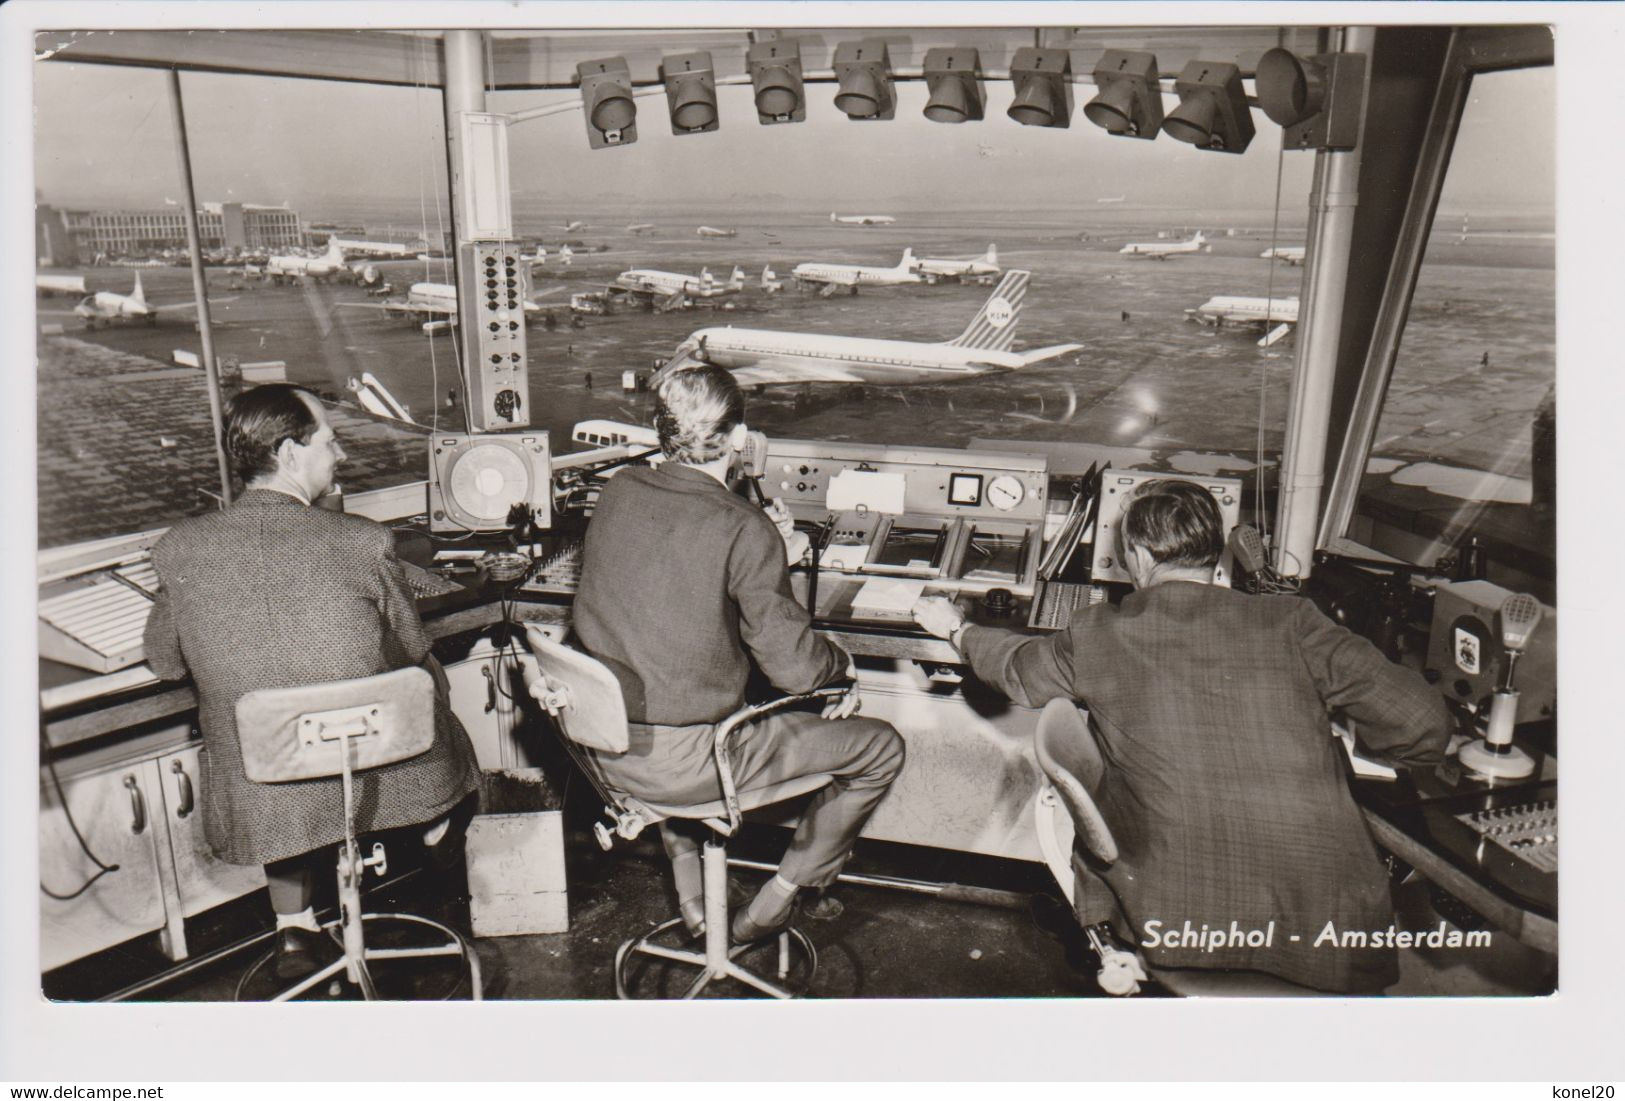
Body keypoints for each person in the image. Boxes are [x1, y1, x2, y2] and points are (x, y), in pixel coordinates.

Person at [913, 479, 1450, 994]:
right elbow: (1422, 724)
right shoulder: (1293, 621)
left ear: (1140, 558)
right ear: (1214, 555)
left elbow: (1016, 671)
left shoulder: (1098, 631)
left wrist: (958, 628)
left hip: (1178, 919)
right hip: (1330, 927)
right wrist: (1351, 748)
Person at [143, 384, 481, 979]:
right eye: (330, 440)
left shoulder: (179, 547)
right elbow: (409, 648)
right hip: (373, 767)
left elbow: (167, 663)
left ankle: (294, 929)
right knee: (429, 683)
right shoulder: (364, 542)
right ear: (291, 453)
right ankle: (434, 831)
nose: (341, 455)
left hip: (265, 781)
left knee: (282, 742)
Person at [571, 363, 905, 944]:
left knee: (682, 700)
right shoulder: (742, 526)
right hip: (692, 762)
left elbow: (671, 579)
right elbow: (796, 670)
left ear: (662, 427)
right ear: (740, 439)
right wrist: (841, 666)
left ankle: (694, 901)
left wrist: (759, 541)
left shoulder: (618, 491)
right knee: (880, 748)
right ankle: (776, 902)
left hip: (606, 748)